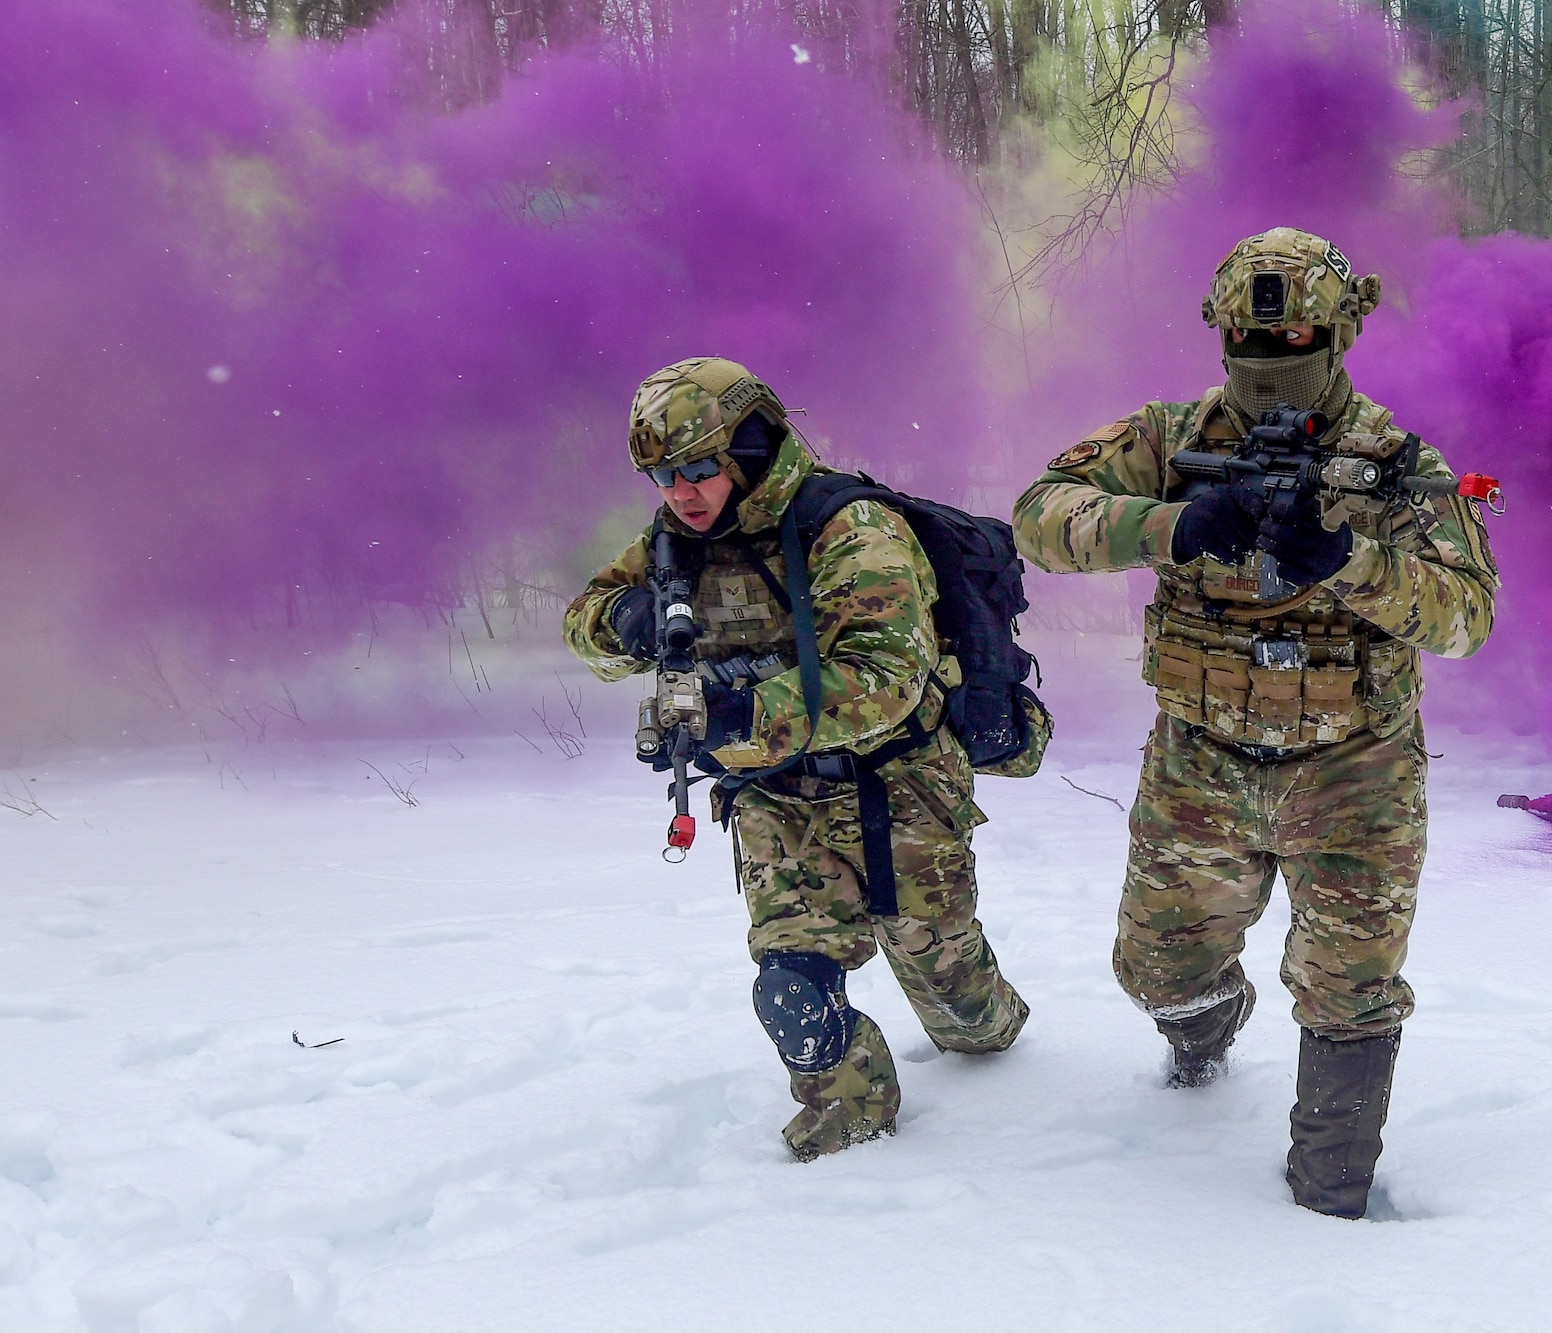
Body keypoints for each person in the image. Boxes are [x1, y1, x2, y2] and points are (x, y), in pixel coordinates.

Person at [1011, 229, 1499, 1217]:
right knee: (1154, 969)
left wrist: (1345, 559)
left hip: (1353, 769)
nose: (1268, 368)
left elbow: (1467, 616)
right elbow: (1036, 514)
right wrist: (1175, 524)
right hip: (1201, 763)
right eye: (1248, 343)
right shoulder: (1165, 437)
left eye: (1295, 343)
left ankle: (1329, 1204)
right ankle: (1205, 1026)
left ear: (1340, 337)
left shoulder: (1395, 462)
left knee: (1349, 991)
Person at [565, 356, 1029, 1161]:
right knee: (792, 989)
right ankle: (849, 1138)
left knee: (960, 1005)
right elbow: (583, 620)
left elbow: (885, 680)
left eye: (699, 468)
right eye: (663, 474)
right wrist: (627, 620)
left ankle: (992, 1026)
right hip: (774, 798)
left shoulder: (848, 529)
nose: (681, 491)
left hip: (897, 788)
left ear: (747, 448)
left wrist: (742, 712)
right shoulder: (676, 539)